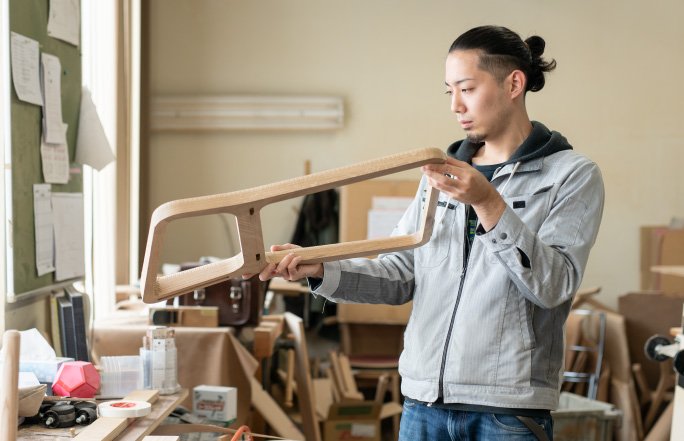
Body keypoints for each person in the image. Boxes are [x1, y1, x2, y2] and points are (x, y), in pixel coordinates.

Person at [258, 25, 605, 441]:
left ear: (514, 83)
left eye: (467, 88)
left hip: (507, 413)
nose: (456, 106)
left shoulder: (571, 175)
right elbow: (403, 272)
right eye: (449, 92)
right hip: (423, 407)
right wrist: (321, 270)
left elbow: (554, 285)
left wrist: (489, 203)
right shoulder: (441, 175)